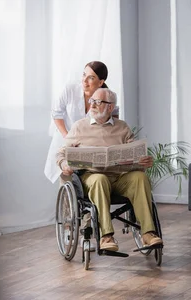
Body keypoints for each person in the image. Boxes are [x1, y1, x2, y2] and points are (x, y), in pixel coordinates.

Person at [56, 88, 163, 252]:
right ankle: (106, 237)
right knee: (100, 179)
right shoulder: (79, 127)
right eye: (92, 100)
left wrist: (143, 161)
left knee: (140, 178)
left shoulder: (122, 127)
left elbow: (134, 154)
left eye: (98, 102)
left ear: (110, 107)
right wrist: (64, 164)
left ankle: (148, 233)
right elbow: (61, 153)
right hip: (92, 178)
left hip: (119, 178)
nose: (93, 104)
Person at [44, 61, 120, 184]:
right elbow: (57, 113)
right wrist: (67, 136)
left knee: (89, 181)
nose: (85, 80)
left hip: (91, 147)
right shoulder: (70, 89)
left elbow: (113, 126)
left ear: (100, 82)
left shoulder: (107, 98)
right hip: (67, 140)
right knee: (67, 180)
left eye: (91, 78)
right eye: (84, 75)